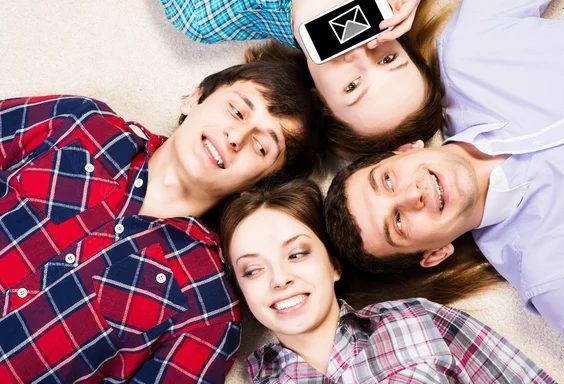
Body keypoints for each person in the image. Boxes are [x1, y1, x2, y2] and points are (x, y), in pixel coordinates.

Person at [324, 0, 564, 374]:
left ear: (406, 150)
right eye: (398, 223)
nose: (410, 196)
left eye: (387, 181)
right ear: (435, 254)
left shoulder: (469, 54)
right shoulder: (556, 279)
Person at [0, 59, 322, 383]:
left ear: (256, 185)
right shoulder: (80, 121)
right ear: (194, 99)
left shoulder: (209, 309)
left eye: (261, 146)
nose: (236, 136)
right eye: (237, 111)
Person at [218, 178, 555, 383]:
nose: (280, 279)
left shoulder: (421, 321)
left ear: (334, 265)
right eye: (253, 270)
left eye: (297, 254)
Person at [149, 0, 446, 157]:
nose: (360, 54)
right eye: (388, 60)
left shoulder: (202, 17)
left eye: (353, 86)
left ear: (318, 100)